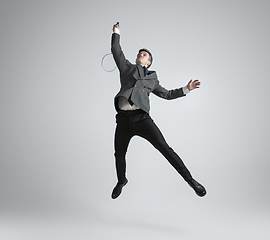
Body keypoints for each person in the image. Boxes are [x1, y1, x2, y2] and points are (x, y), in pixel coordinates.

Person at [110, 22, 206, 199]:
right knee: (119, 153)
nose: (141, 54)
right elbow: (116, 49)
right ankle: (121, 181)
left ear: (148, 62)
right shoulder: (127, 68)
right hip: (123, 120)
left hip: (141, 119)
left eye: (144, 54)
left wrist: (186, 88)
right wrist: (116, 31)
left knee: (165, 149)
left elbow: (167, 94)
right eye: (139, 53)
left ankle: (191, 181)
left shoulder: (152, 80)